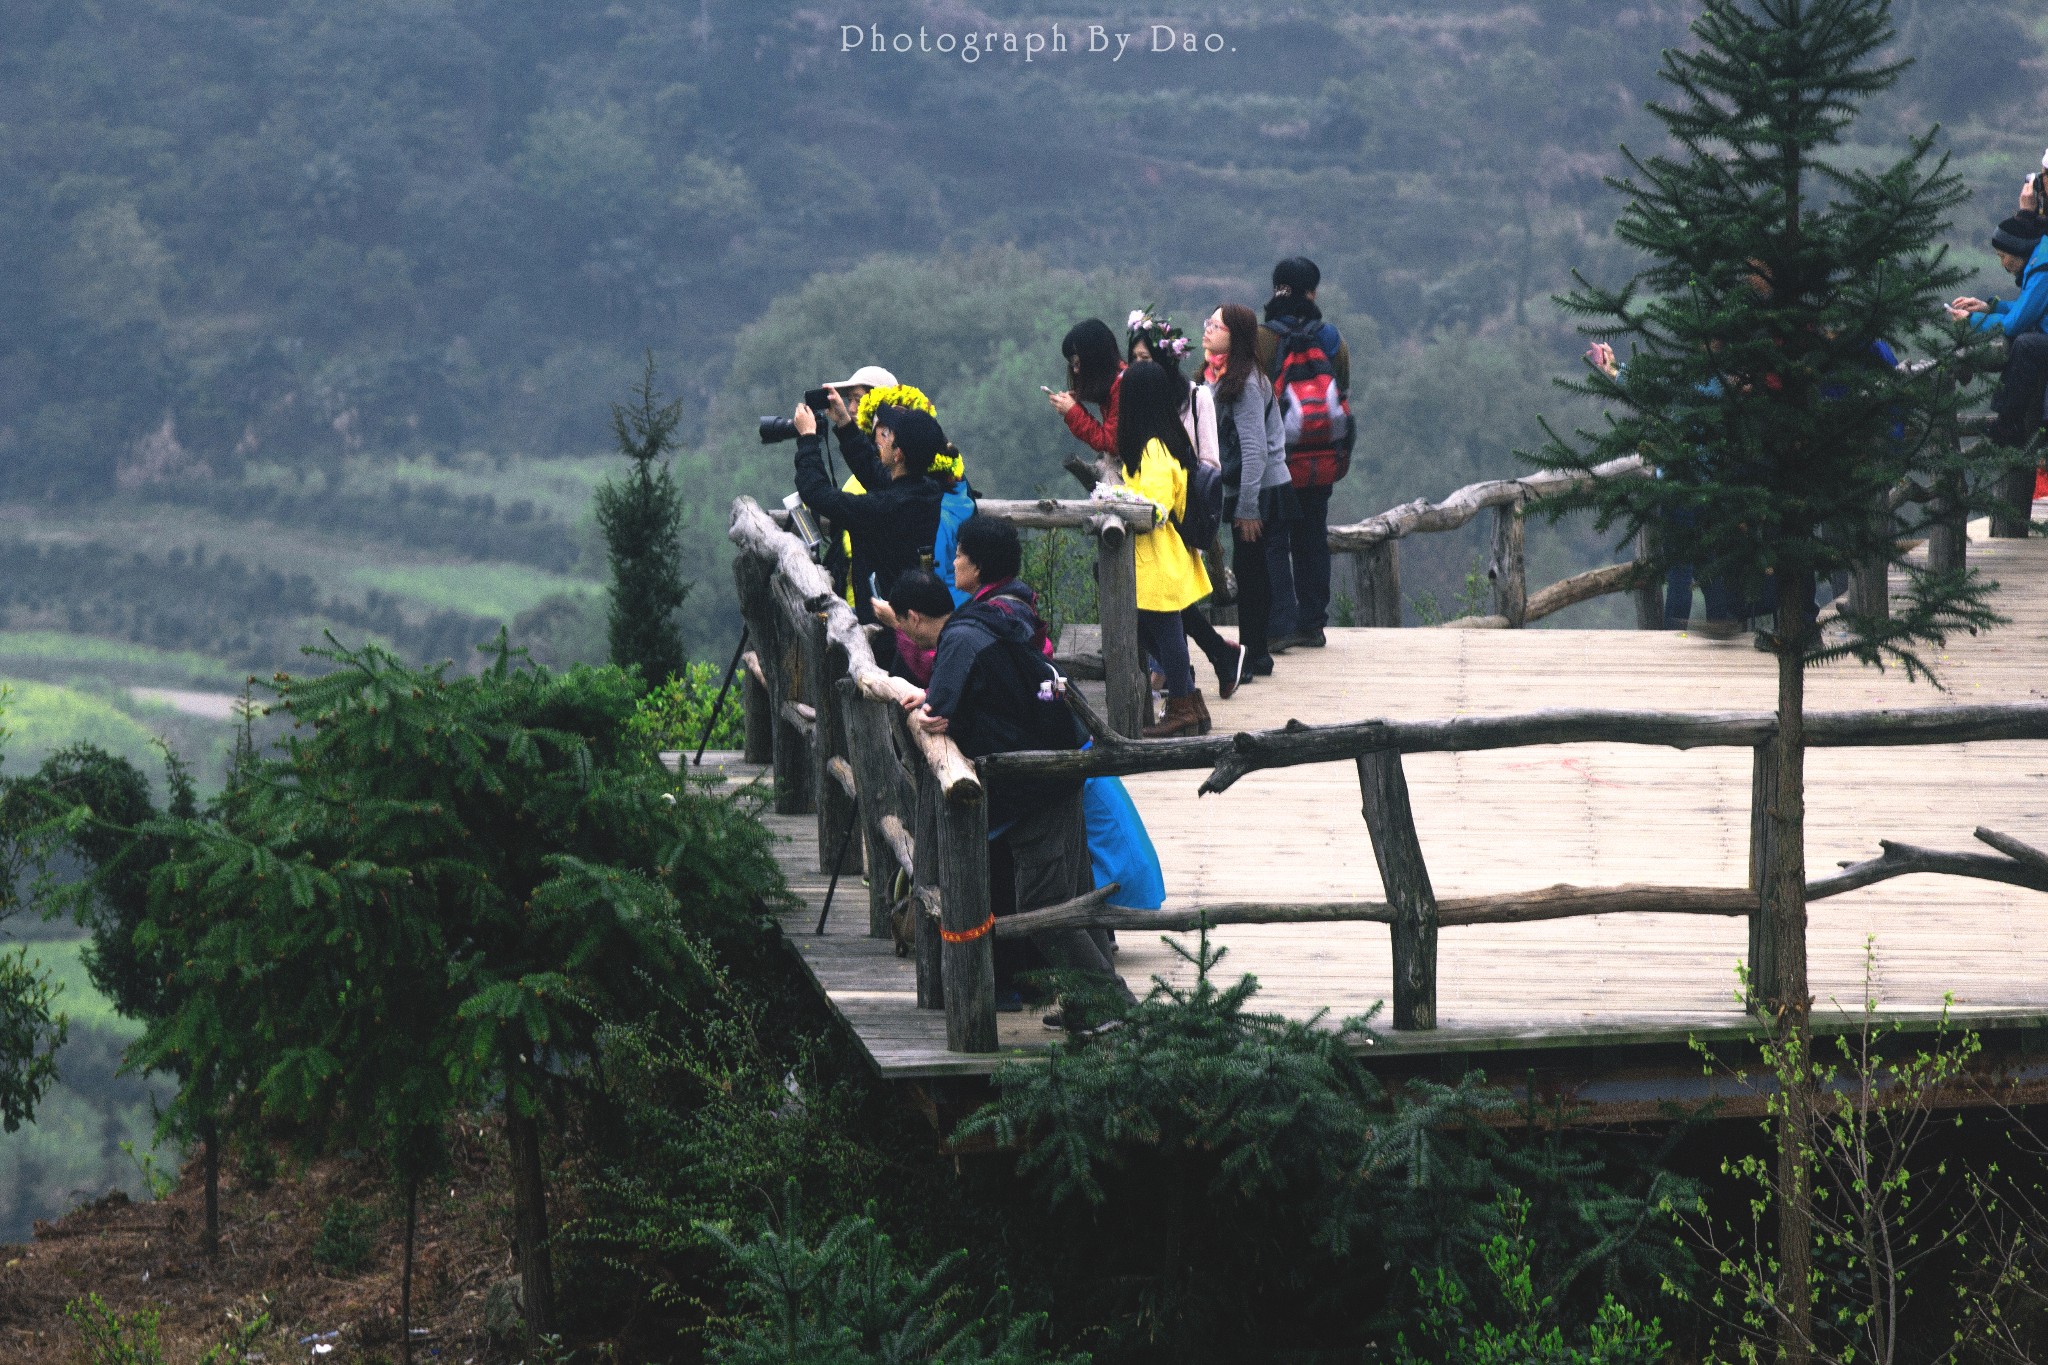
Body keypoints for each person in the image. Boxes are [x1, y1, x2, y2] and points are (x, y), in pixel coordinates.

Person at [903, 514, 1135, 1023]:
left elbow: (939, 707)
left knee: (1043, 904)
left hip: (1034, 780)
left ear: (977, 564)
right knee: (1073, 893)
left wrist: (928, 706)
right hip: (1059, 763)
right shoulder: (1012, 609)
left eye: (959, 553)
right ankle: (1084, 1002)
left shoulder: (965, 632)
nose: (952, 560)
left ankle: (1111, 1005)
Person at [1129, 308, 1242, 695]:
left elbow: (1210, 461)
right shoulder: (1143, 406)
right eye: (1135, 360)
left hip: (1180, 510)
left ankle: (1182, 687)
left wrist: (1173, 475)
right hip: (1162, 509)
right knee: (1170, 603)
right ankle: (1208, 662)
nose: (1137, 367)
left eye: (1145, 360)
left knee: (1167, 602)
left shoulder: (1197, 398)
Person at [1256, 257, 1353, 651]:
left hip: (1276, 459)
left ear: (1276, 288)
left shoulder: (1261, 339)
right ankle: (1312, 624)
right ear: (1312, 293)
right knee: (1313, 536)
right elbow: (1341, 391)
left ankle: (1279, 626)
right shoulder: (1331, 339)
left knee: (1274, 538)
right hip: (1320, 461)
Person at [1114, 362, 1215, 738]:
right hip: (1159, 554)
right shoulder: (1159, 441)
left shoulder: (1153, 450)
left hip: (1156, 554)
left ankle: (1183, 705)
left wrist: (1118, 501)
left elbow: (1154, 508)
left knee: (1163, 631)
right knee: (1159, 630)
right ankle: (1190, 703)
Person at [791, 401, 952, 623]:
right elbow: (875, 473)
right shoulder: (928, 492)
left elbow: (816, 492)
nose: (882, 441)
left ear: (898, 455)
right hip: (906, 617)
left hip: (884, 630)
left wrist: (808, 439)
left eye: (888, 436)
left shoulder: (882, 509)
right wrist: (845, 423)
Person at [1206, 304, 1297, 679]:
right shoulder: (1220, 376)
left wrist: (1247, 508)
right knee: (1253, 571)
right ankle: (1256, 654)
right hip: (1249, 485)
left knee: (1251, 572)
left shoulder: (1244, 383)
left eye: (1216, 325)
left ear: (1236, 336)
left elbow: (1255, 448)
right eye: (1208, 323)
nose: (1207, 329)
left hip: (1259, 488)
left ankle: (1252, 654)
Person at [1949, 216, 2048, 449]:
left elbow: (2016, 323)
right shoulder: (2039, 260)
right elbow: (2029, 308)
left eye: (2003, 256)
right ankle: (2008, 422)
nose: (2003, 264)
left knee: (2025, 344)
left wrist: (1974, 319)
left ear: (2017, 250)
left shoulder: (2043, 270)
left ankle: (2009, 424)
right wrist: (1990, 306)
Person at [1049, 319, 1124, 461]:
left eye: (1077, 364)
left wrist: (1073, 412)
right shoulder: (1116, 382)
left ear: (1094, 359)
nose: (1076, 371)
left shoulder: (1123, 386)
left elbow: (1110, 443)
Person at [871, 567, 955, 687]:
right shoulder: (965, 625)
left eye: (901, 621)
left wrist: (896, 625)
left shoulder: (956, 650)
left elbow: (929, 667)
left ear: (914, 618)